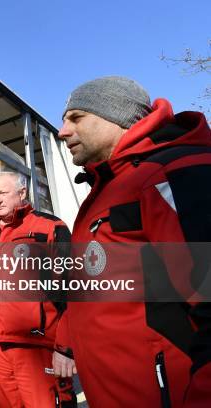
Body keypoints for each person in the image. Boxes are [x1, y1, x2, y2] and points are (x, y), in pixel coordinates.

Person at [57, 76, 211, 406]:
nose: (62, 131)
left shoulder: (171, 174)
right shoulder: (105, 189)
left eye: (76, 118)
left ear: (117, 116)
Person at [0, 172, 76, 407]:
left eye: (3, 193)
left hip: (39, 350)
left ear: (22, 193)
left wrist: (66, 348)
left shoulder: (50, 228)